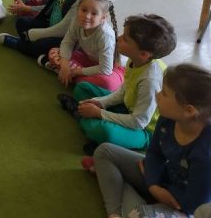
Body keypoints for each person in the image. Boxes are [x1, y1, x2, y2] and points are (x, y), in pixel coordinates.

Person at [92, 63, 211, 218]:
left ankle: (118, 186)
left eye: (164, 93)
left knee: (140, 214)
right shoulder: (168, 117)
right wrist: (153, 184)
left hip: (183, 208)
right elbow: (154, 153)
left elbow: (193, 206)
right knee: (104, 152)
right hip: (160, 181)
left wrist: (156, 187)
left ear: (188, 111)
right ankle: (115, 213)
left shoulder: (205, 154)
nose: (157, 94)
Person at [58, 14, 177, 156]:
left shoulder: (150, 81)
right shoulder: (135, 60)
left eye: (125, 39)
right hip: (128, 109)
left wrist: (99, 113)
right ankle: (90, 123)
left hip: (145, 131)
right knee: (82, 88)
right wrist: (100, 102)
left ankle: (80, 115)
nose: (118, 38)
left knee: (106, 132)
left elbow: (139, 122)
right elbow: (124, 90)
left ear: (144, 54)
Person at [45, 0, 125, 92]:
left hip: (112, 68)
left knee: (108, 84)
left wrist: (76, 72)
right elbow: (67, 43)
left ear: (103, 18)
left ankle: (67, 74)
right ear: (78, 9)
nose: (87, 16)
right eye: (84, 10)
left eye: (94, 13)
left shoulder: (105, 35)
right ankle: (71, 76)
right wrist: (65, 65)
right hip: (89, 60)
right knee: (53, 52)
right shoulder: (77, 21)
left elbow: (105, 69)